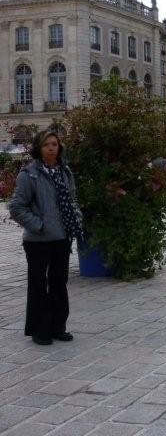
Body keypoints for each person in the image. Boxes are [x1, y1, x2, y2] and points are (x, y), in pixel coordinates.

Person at [9, 130, 84, 346]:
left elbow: (72, 199)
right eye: (46, 145)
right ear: (38, 148)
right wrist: (38, 226)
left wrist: (76, 216)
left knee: (59, 282)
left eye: (54, 144)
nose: (51, 148)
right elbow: (16, 207)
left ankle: (58, 326)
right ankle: (39, 330)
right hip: (38, 240)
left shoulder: (64, 171)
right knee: (38, 284)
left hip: (62, 236)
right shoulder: (29, 174)